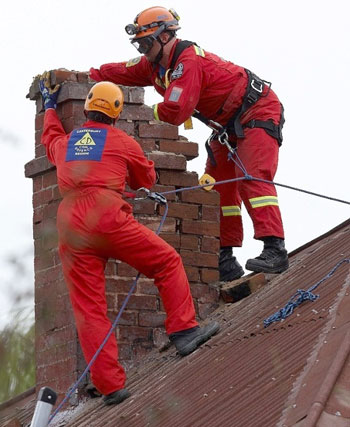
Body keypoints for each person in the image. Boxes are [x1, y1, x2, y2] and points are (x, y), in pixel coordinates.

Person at [38, 71, 220, 406]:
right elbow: (145, 177)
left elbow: (50, 138)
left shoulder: (67, 144)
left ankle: (110, 387)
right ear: (117, 112)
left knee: (90, 309)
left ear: (88, 108)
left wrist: (50, 106)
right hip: (107, 215)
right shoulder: (121, 141)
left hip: (71, 224)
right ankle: (184, 331)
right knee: (166, 262)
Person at [89, 6, 289, 282]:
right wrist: (92, 76)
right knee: (218, 187)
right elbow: (123, 70)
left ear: (164, 36)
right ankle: (225, 259)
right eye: (140, 44)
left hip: (257, 111)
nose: (143, 50)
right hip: (227, 125)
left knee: (253, 178)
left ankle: (274, 248)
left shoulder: (188, 61)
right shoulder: (154, 65)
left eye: (146, 43)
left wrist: (145, 113)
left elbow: (176, 110)